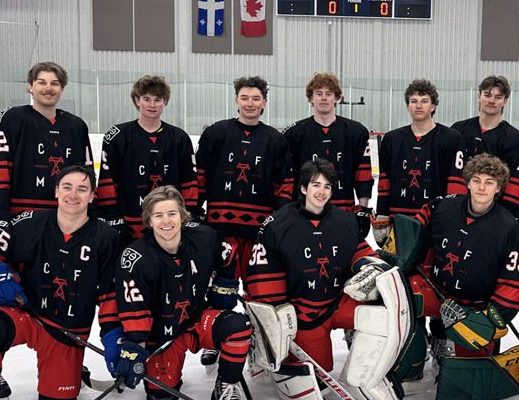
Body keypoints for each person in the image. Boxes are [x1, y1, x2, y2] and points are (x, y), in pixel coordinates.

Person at [0, 165, 120, 400]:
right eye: (67, 187)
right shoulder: (28, 223)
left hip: (66, 331)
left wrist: (113, 336)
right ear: (56, 191)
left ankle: (73, 370)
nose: (73, 194)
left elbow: (110, 293)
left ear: (92, 196)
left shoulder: (106, 237)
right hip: (27, 315)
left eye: (82, 189)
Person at [246, 158, 411, 400]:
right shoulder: (277, 224)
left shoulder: (345, 221)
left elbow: (361, 251)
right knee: (318, 384)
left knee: (383, 315)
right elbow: (262, 273)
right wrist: (277, 316)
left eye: (326, 187)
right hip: (303, 314)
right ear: (303, 188)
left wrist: (370, 266)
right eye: (315, 185)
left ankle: (363, 373)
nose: (321, 192)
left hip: (337, 300)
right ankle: (269, 354)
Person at [111, 186, 253, 400]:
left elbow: (228, 254)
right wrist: (136, 345)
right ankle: (167, 377)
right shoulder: (135, 257)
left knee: (238, 326)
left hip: (196, 321)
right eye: (158, 215)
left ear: (182, 216)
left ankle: (225, 386)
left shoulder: (204, 237)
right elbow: (134, 306)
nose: (166, 221)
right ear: (149, 221)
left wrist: (224, 290)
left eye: (172, 214)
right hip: (161, 337)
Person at [393, 154, 519, 386]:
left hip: (474, 310)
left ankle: (466, 351)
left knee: (468, 384)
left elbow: (516, 282)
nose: (481, 187)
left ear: (498, 188)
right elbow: (415, 228)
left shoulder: (509, 227)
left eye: (489, 182)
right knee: (403, 296)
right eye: (476, 180)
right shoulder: (444, 206)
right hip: (438, 294)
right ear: (468, 182)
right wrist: (396, 246)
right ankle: (413, 361)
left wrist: (491, 319)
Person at [195, 75, 293, 281]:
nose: (250, 103)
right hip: (220, 227)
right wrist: (194, 212)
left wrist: (277, 221)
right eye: (245, 98)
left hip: (259, 231)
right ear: (236, 101)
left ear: (264, 103)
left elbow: (284, 184)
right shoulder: (215, 133)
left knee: (258, 288)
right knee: (222, 288)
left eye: (256, 98)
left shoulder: (276, 140)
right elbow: (200, 176)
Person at [0, 62, 93, 225]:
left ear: (62, 89)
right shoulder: (12, 119)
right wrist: (1, 214)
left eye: (55, 83)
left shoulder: (77, 126)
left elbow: (86, 174)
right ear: (31, 87)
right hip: (22, 218)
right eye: (42, 82)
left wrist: (91, 212)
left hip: (68, 218)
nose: (49, 88)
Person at [96, 75, 198, 245]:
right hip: (128, 224)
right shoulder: (116, 136)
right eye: (146, 99)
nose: (152, 105)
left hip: (168, 225)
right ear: (137, 100)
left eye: (158, 100)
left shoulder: (179, 138)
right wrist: (113, 217)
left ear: (165, 102)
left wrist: (188, 215)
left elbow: (189, 181)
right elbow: (107, 180)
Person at [373, 78, 466, 246]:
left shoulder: (451, 138)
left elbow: (456, 182)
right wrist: (382, 213)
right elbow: (384, 181)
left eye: (424, 101)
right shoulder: (392, 139)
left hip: (435, 219)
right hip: (398, 220)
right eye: (413, 101)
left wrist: (451, 217)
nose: (418, 105)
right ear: (407, 105)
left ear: (433, 106)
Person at [282, 72, 374, 236]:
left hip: (343, 212)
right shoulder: (294, 134)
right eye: (319, 93)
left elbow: (363, 175)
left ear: (337, 98)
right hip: (305, 212)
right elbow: (288, 178)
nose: (323, 98)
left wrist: (362, 209)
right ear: (311, 98)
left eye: (329, 94)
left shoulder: (356, 132)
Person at [450, 75, 519, 219]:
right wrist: (453, 207)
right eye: (487, 95)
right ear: (479, 96)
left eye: (498, 97)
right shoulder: (458, 130)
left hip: (495, 216)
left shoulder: (515, 139)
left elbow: (517, 184)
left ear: (505, 101)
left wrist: (505, 218)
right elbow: (449, 171)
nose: (492, 100)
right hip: (459, 212)